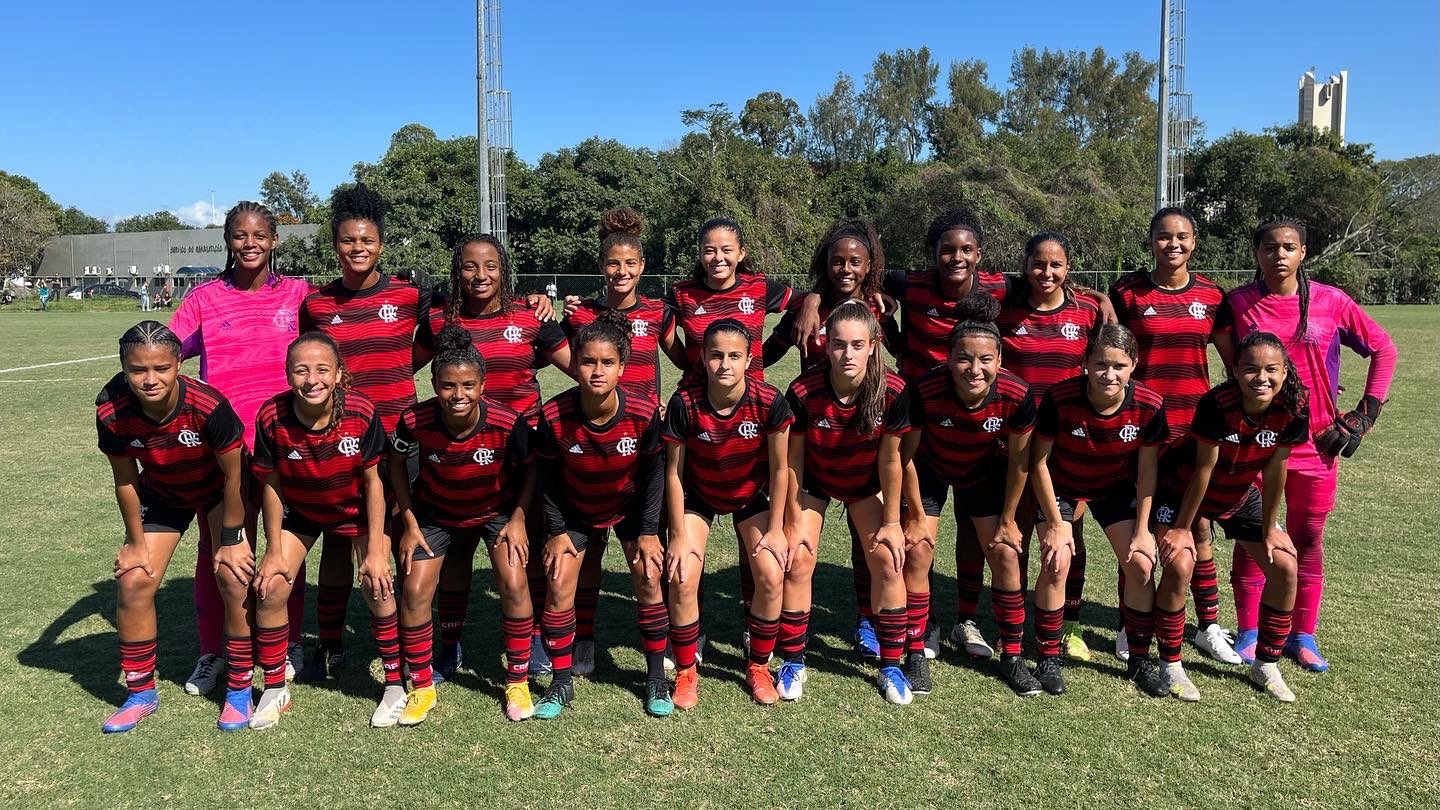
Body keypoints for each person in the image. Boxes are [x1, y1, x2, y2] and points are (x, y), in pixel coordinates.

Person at [1215, 217, 1397, 672]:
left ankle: (1303, 634)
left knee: (1308, 537)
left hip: (1317, 444)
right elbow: (1222, 354)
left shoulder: (1332, 301)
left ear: (1303, 253)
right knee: (1254, 535)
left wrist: (1365, 413)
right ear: (1256, 253)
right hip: (1255, 442)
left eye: (1289, 247)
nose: (1279, 255)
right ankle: (1251, 631)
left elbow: (1384, 348)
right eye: (1269, 247)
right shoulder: (1238, 303)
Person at [167, 200, 309, 697]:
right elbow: (162, 351)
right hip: (222, 450)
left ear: (274, 241)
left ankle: (285, 643)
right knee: (219, 548)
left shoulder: (297, 294)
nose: (250, 244)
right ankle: (215, 653)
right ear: (228, 241)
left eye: (259, 236)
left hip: (284, 445)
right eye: (239, 236)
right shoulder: (204, 298)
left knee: (282, 545)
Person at [414, 233, 569, 681]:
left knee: (529, 546)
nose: (480, 276)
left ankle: (536, 638)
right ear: (456, 270)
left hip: (522, 457)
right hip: (457, 454)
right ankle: (450, 646)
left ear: (504, 270)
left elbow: (582, 369)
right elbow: (402, 367)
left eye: (490, 266)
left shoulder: (530, 315)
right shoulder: (441, 318)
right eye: (469, 266)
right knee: (458, 549)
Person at [296, 184, 428, 683]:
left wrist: (398, 373)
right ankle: (330, 645)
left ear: (381, 243)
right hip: (338, 443)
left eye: (367, 240)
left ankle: (407, 643)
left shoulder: (409, 294)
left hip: (399, 438)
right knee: (338, 543)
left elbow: (436, 340)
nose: (358, 248)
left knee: (399, 538)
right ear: (336, 246)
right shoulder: (316, 304)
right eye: (348, 241)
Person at [96, 322, 249, 733]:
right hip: (163, 493)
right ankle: (140, 693)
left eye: (161, 368)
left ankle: (239, 687)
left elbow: (235, 477)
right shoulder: (111, 409)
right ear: (123, 367)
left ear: (179, 363)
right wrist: (134, 542)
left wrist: (233, 539)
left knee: (233, 577)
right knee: (133, 581)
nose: (150, 380)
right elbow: (125, 479)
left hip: (219, 491)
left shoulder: (208, 405)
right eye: (137, 370)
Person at [764, 220, 898, 665]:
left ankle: (868, 622)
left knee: (873, 543)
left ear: (870, 266)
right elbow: (766, 354)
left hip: (862, 437)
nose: (845, 268)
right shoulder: (809, 307)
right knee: (797, 547)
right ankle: (781, 636)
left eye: (855, 262)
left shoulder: (880, 307)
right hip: (815, 432)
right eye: (836, 260)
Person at [1109, 207, 1237, 664]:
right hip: (1141, 430)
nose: (1173, 244)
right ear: (1150, 241)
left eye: (1182, 236)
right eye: (1164, 236)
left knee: (1197, 527)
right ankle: (1130, 624)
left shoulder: (1211, 295)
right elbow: (1113, 355)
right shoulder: (1125, 292)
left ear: (1194, 241)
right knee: (1137, 532)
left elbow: (1234, 362)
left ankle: (1209, 627)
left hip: (1193, 431)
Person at [389, 324, 536, 723]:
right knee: (416, 589)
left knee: (513, 579)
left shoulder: (508, 423)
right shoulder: (414, 420)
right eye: (448, 386)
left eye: (468, 385)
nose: (458, 396)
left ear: (483, 385)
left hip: (495, 513)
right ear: (434, 384)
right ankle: (421, 686)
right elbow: (396, 463)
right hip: (435, 514)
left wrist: (519, 516)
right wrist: (409, 517)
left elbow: (530, 470)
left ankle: (518, 680)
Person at [1154, 332, 1310, 701]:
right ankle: (1170, 664)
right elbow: (1202, 470)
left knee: (1286, 565)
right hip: (1179, 490)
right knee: (1179, 564)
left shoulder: (1294, 407)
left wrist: (1270, 527)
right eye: (1251, 369)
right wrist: (1179, 529)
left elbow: (1275, 472)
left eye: (1272, 369)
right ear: (1235, 371)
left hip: (1237, 495)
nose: (1262, 378)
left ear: (1285, 372)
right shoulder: (1217, 404)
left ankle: (1266, 664)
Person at [250, 332, 394, 728]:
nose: (311, 379)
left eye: (321, 369)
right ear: (287, 375)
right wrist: (274, 549)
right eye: (301, 370)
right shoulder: (271, 416)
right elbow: (272, 485)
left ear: (339, 375)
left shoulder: (361, 411)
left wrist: (378, 551)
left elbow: (375, 484)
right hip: (304, 510)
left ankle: (396, 684)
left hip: (358, 511)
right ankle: (275, 687)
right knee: (271, 586)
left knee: (376, 581)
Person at [562, 208, 683, 677]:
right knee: (590, 550)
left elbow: (688, 362)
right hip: (592, 444)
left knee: (651, 545)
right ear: (601, 265)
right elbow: (560, 354)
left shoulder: (657, 313)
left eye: (630, 264)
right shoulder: (583, 314)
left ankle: (668, 634)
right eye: (613, 263)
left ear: (643, 266)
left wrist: (669, 406)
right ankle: (586, 639)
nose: (622, 272)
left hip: (644, 443)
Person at [903, 296, 1042, 696]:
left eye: (985, 360)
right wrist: (914, 514)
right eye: (964, 358)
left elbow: (1019, 462)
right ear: (948, 359)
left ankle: (1012, 657)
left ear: (999, 360)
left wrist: (1009, 519)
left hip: (983, 472)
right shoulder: (925, 390)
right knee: (918, 550)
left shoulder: (1017, 394)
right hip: (929, 470)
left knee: (1004, 552)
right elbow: (905, 457)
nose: (974, 369)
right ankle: (915, 649)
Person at [1030, 325, 1178, 698]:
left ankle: (1139, 660)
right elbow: (1039, 464)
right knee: (1057, 559)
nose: (1108, 375)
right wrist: (1055, 521)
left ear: (1134, 366)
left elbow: (1147, 474)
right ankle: (1047, 656)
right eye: (1100, 364)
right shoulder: (1060, 398)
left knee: (1142, 564)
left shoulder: (1150, 405)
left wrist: (1144, 529)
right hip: (1062, 487)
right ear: (1085, 363)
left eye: (1118, 366)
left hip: (1115, 489)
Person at [532, 311, 666, 719]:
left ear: (623, 367)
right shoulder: (554, 415)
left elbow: (655, 474)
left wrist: (646, 531)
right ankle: (560, 682)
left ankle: (656, 677)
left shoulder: (643, 414)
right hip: (575, 509)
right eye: (588, 361)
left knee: (647, 576)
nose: (597, 371)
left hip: (628, 508)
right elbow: (548, 480)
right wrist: (556, 531)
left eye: (608, 363)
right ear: (575, 362)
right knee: (558, 581)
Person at [785, 302, 914, 704]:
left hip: (864, 486)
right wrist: (792, 517)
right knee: (798, 556)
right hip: (817, 485)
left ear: (874, 345)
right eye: (839, 344)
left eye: (858, 344)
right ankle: (793, 660)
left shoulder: (893, 390)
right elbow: (793, 461)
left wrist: (892, 522)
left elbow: (892, 458)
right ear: (825, 345)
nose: (848, 354)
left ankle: (892, 664)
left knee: (890, 560)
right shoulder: (804, 390)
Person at [664, 319, 792, 707]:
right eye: (716, 355)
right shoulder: (684, 402)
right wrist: (679, 535)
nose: (725, 364)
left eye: (734, 356)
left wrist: (776, 529)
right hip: (698, 496)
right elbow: (673, 472)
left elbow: (781, 469)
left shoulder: (769, 400)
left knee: (771, 574)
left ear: (749, 359)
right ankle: (686, 672)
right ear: (702, 358)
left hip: (750, 496)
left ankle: (758, 665)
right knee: (683, 574)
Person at [996, 232, 1102, 662]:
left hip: (1067, 444)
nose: (1047, 273)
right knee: (1018, 531)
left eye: (1056, 265)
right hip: (1016, 443)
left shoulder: (1088, 311)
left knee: (1067, 533)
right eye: (1039, 264)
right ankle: (1015, 622)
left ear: (1068, 268)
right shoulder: (1005, 311)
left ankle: (1069, 627)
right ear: (1025, 266)